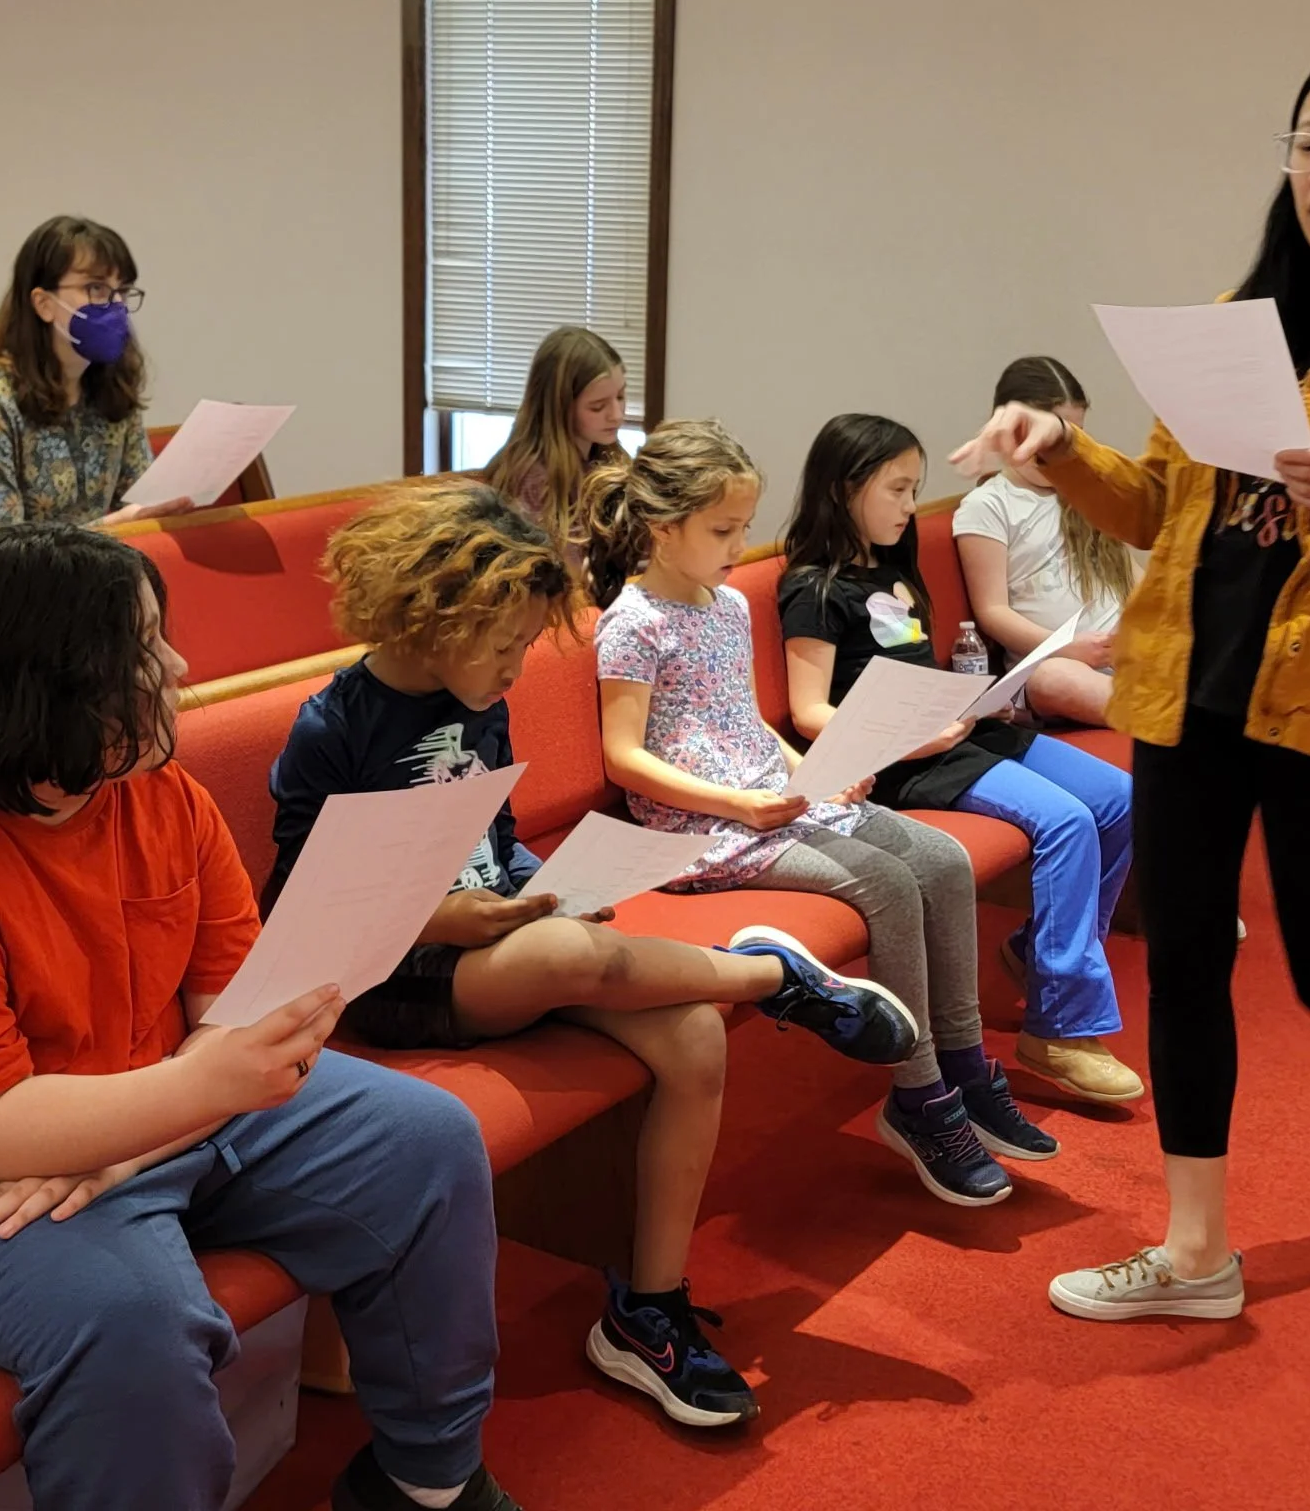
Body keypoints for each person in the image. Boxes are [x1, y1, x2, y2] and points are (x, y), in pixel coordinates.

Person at [950, 38, 1310, 1321]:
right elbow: (1165, 505)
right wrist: (1059, 450)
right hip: (1189, 684)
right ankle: (1192, 1252)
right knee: (1183, 963)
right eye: (1303, 142)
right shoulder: (1239, 323)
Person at [0, 523, 519, 1511]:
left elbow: (241, 1018)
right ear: (46, 691)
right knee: (133, 1318)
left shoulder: (156, 793)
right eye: (143, 651)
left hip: (141, 1102)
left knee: (426, 1140)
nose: (177, 666)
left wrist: (141, 1136)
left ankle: (427, 1481)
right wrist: (188, 1097)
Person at [266, 480, 912, 1429]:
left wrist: (543, 884)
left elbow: (495, 836)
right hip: (398, 977)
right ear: (434, 617)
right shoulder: (336, 725)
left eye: (526, 645)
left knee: (692, 1033)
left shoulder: (477, 698)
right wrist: (453, 921)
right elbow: (299, 908)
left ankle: (648, 1312)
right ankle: (774, 979)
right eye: (503, 645)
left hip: (504, 939)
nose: (517, 667)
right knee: (569, 955)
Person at [586, 419, 1055, 1210]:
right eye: (723, 529)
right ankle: (918, 1095)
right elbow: (622, 757)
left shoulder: (727, 605)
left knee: (939, 859)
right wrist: (741, 801)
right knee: (885, 884)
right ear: (663, 529)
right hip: (700, 825)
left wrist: (813, 771)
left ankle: (965, 1062)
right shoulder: (633, 622)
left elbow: (743, 719)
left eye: (743, 527)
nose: (741, 547)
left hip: (768, 795)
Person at [780, 413, 1141, 1104]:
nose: (912, 506)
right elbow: (810, 713)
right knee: (1065, 822)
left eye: (916, 489)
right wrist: (911, 736)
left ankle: (1045, 953)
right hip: (907, 761)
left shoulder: (895, 568)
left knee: (1120, 799)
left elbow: (916, 664)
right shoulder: (814, 587)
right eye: (897, 489)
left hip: (957, 732)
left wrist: (978, 698)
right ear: (846, 488)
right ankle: (1059, 1026)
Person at [0, 215, 190, 549]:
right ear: (43, 304)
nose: (114, 306)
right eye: (96, 288)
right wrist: (110, 529)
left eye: (122, 290)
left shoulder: (112, 384)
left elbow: (138, 501)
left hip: (93, 583)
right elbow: (0, 552)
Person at [954, 357, 1132, 728]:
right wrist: (1067, 647)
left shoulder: (1085, 489)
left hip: (1125, 654)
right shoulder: (989, 505)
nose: (1058, 451)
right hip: (1050, 663)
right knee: (1054, 679)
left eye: (1071, 437)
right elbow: (992, 611)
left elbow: (1132, 576)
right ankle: (1161, 719)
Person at [480, 325, 629, 555]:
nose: (617, 414)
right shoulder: (533, 481)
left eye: (620, 396)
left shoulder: (608, 458)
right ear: (560, 409)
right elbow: (563, 574)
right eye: (598, 406)